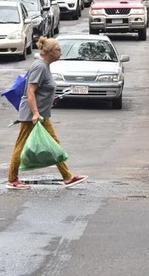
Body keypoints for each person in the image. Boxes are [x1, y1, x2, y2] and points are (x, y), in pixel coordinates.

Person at [7, 36, 88, 190]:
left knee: (54, 145)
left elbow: (42, 90)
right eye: (58, 49)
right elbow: (30, 92)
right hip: (33, 115)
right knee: (21, 145)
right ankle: (12, 179)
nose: (60, 52)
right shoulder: (40, 67)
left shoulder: (45, 66)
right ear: (50, 52)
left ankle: (67, 177)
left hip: (42, 114)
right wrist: (35, 113)